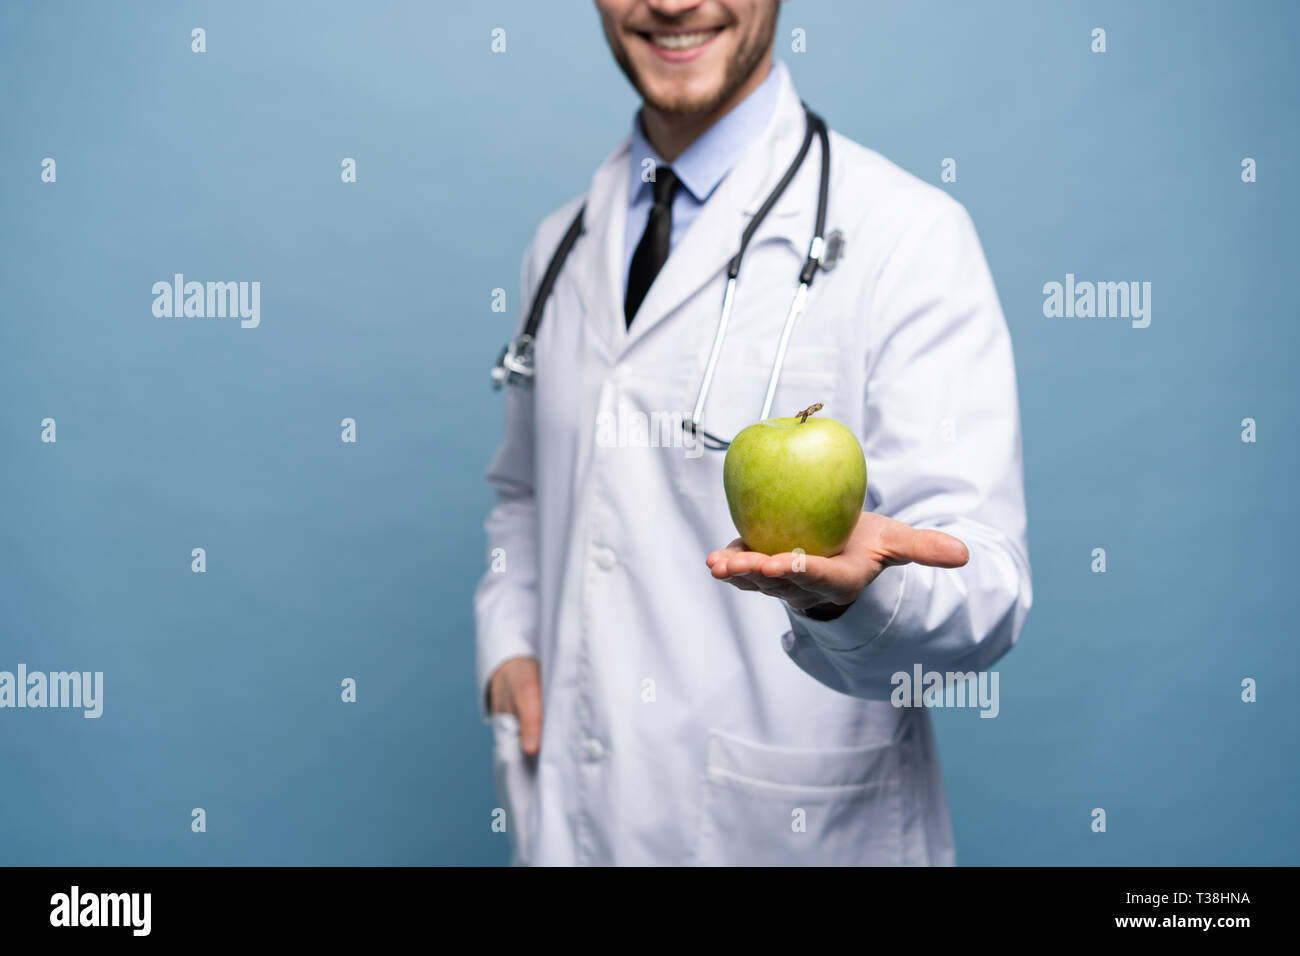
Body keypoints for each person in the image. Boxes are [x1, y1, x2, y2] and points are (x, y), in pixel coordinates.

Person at [475, 0, 1031, 866]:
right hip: (577, 821)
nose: (671, 3)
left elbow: (986, 589)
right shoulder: (560, 245)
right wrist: (509, 641)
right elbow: (526, 493)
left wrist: (850, 598)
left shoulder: (908, 236)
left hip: (796, 832)